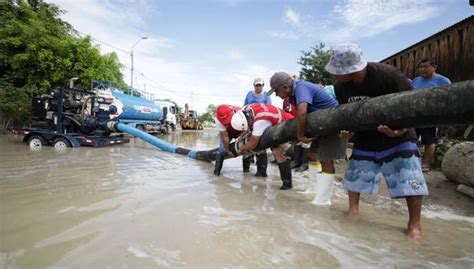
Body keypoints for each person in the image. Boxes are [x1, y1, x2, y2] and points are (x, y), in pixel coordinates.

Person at [326, 43, 428, 239]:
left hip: (398, 137)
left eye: (337, 72)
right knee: (355, 175)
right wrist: (349, 132)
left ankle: (415, 224)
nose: (334, 76)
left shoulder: (389, 76)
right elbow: (347, 114)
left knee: (410, 178)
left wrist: (400, 131)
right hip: (365, 137)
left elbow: (413, 105)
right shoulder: (341, 87)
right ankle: (353, 210)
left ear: (352, 69)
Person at [268, 72, 347, 205]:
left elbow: (302, 113)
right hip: (320, 126)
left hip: (333, 123)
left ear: (285, 87)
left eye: (276, 91)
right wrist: (297, 137)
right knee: (311, 155)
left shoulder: (301, 87)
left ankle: (323, 200)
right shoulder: (293, 95)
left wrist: (300, 135)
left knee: (326, 160)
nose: (276, 95)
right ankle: (313, 189)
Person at [230, 103, 294, 189]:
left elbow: (253, 143)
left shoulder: (261, 122)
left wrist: (242, 148)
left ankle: (287, 184)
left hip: (287, 126)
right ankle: (287, 184)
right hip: (275, 125)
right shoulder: (246, 109)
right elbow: (248, 127)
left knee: (278, 152)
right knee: (275, 151)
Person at [412, 58, 451, 172]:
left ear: (434, 67)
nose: (422, 69)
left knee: (429, 140)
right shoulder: (416, 80)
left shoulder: (443, 81)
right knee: (411, 140)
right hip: (414, 115)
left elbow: (448, 98)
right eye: (420, 67)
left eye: (425, 67)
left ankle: (425, 164)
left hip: (430, 116)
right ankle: (413, 162)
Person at [242, 77, 272, 177]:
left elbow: (269, 109)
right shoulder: (249, 94)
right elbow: (244, 106)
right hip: (248, 121)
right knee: (246, 141)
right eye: (257, 85)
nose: (258, 87)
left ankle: (262, 172)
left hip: (260, 120)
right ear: (254, 86)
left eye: (260, 85)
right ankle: (246, 169)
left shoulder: (266, 96)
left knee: (261, 144)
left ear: (263, 86)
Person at [213, 104, 242, 176]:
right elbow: (225, 136)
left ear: (232, 112)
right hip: (228, 133)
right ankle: (216, 174)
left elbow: (247, 129)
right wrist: (228, 151)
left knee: (246, 147)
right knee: (221, 151)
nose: (227, 122)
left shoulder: (240, 113)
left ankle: (246, 171)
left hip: (241, 132)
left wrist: (240, 139)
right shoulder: (217, 119)